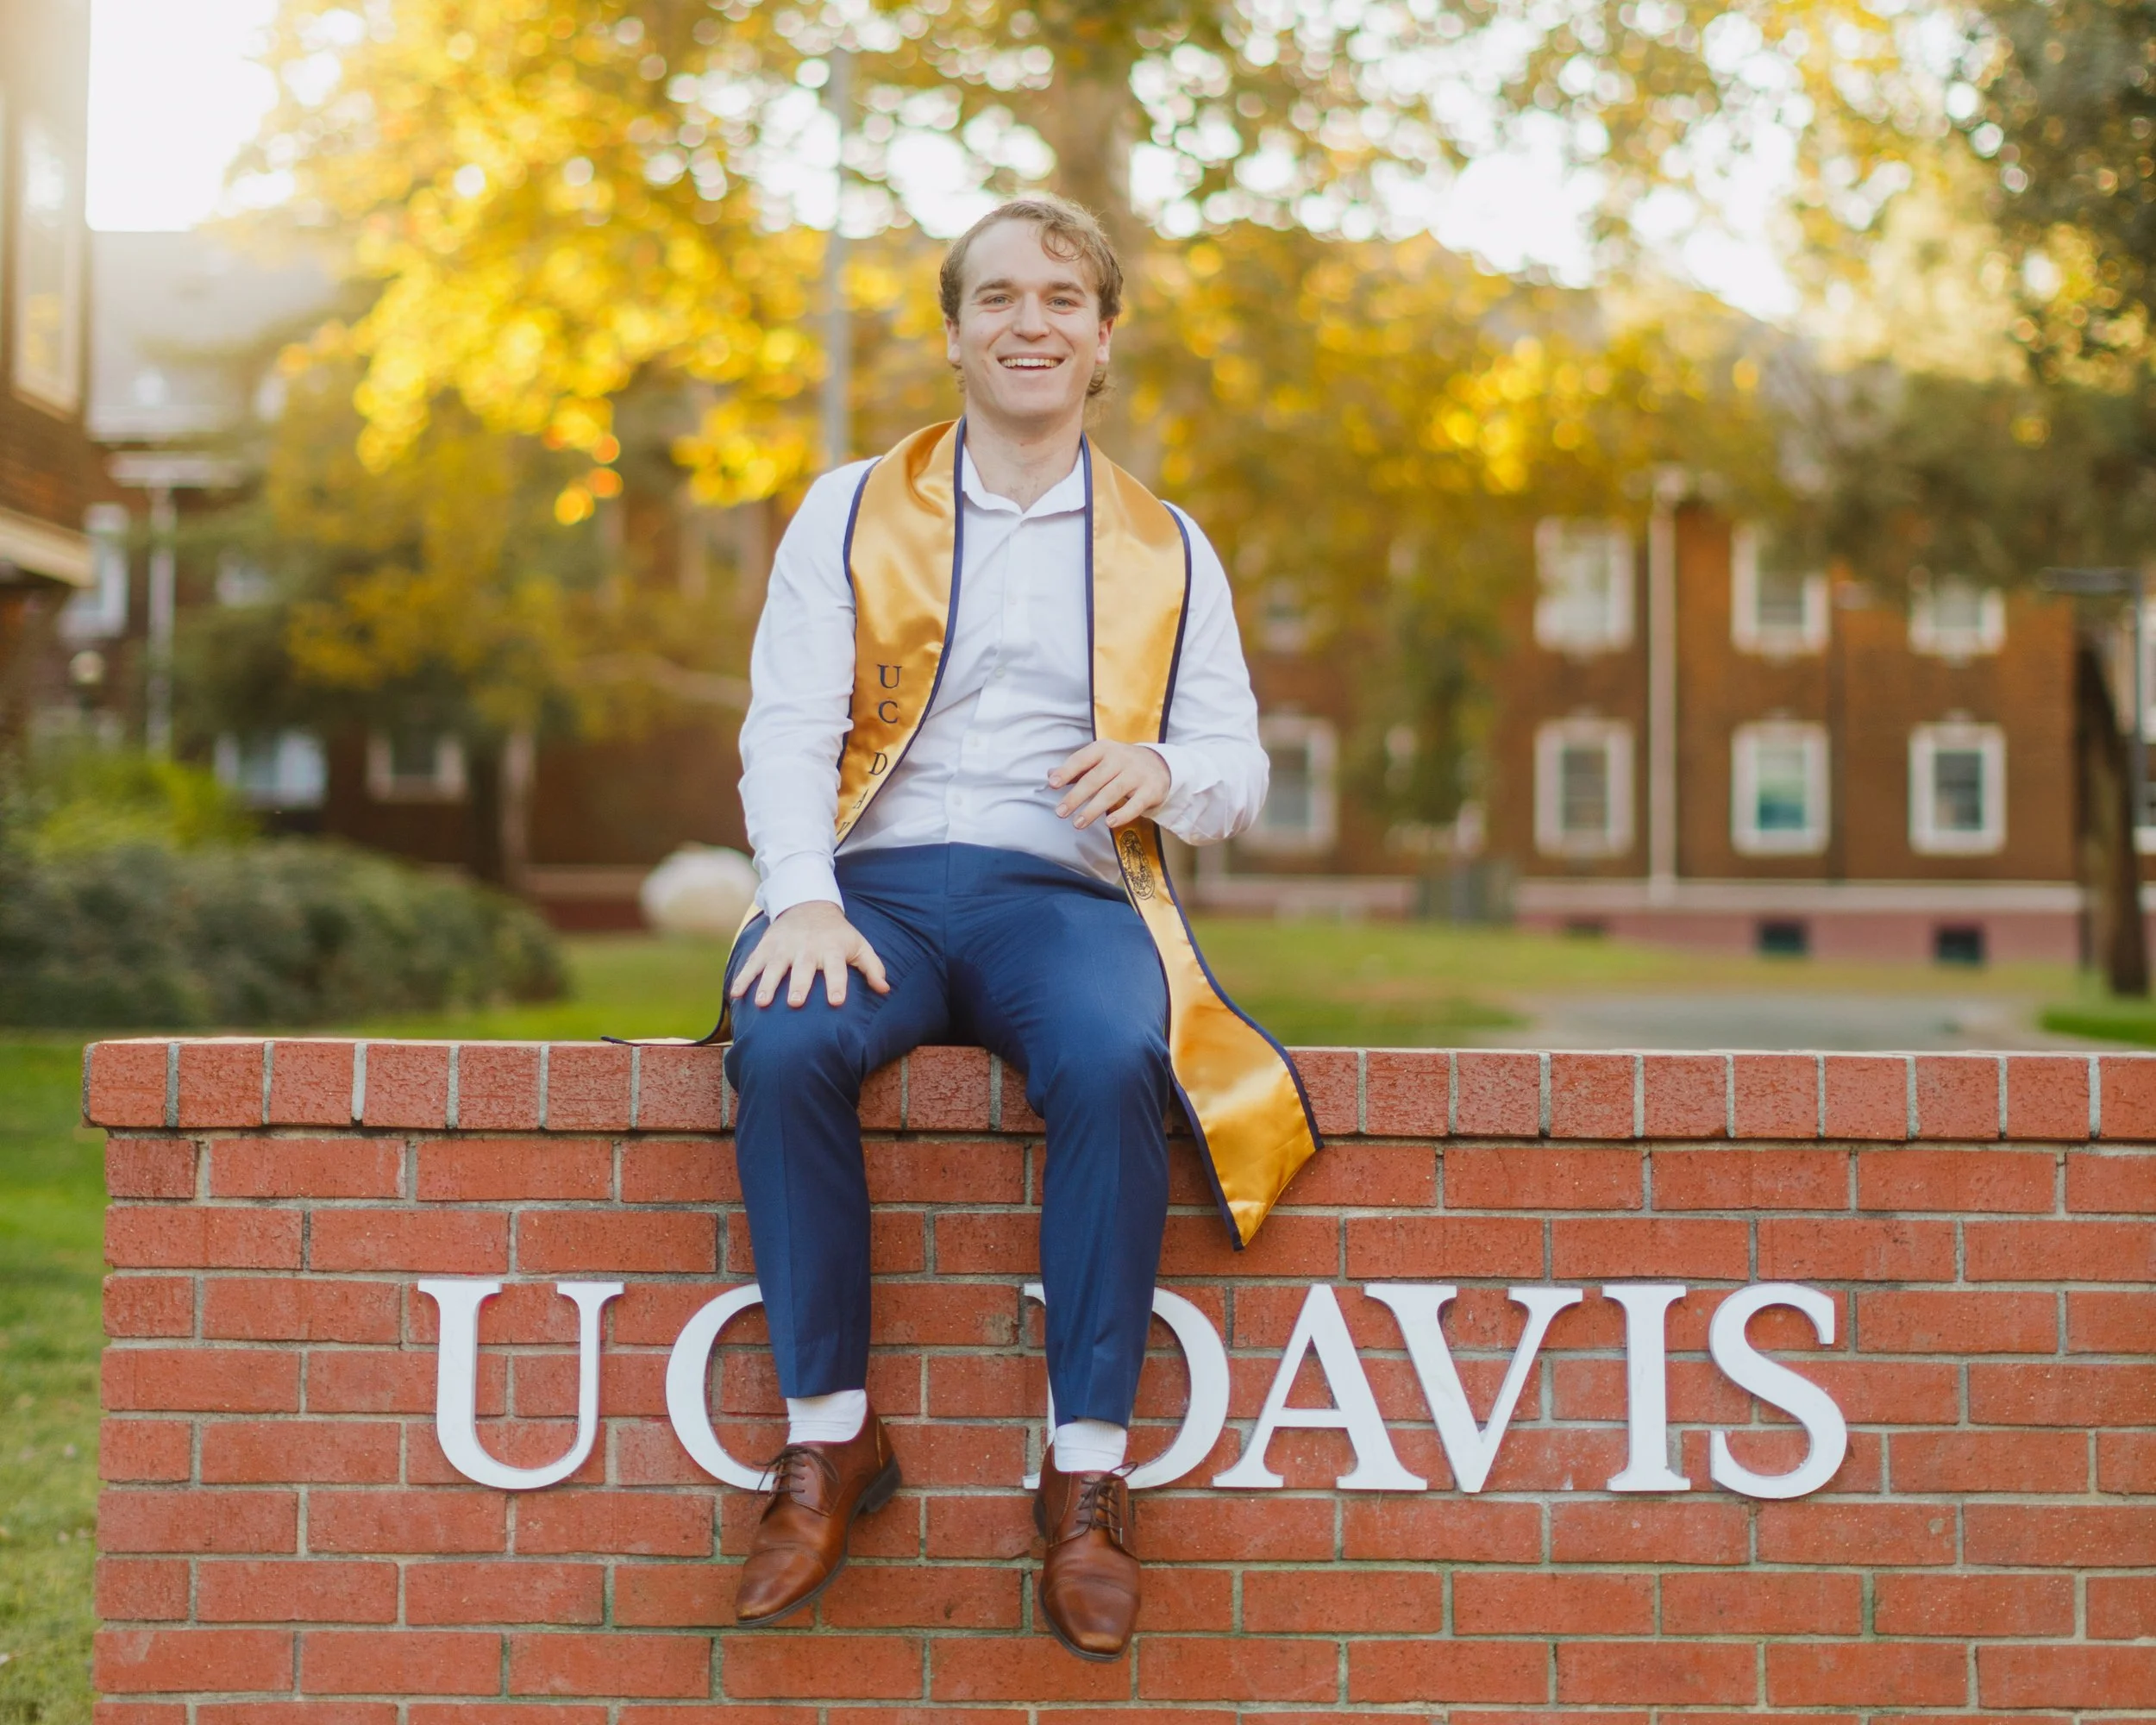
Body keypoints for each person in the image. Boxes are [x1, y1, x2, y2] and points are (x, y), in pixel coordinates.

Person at [722, 193, 1319, 1659]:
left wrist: (1164, 771)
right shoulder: (851, 509)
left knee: (1122, 1058)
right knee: (787, 1041)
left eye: (1062, 297)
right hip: (866, 887)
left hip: (1061, 895)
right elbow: (787, 724)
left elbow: (1239, 765)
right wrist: (798, 892)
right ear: (954, 334)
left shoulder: (1167, 547)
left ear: (1104, 337)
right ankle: (829, 1441)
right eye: (998, 298)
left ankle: (1089, 1476)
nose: (1030, 321)